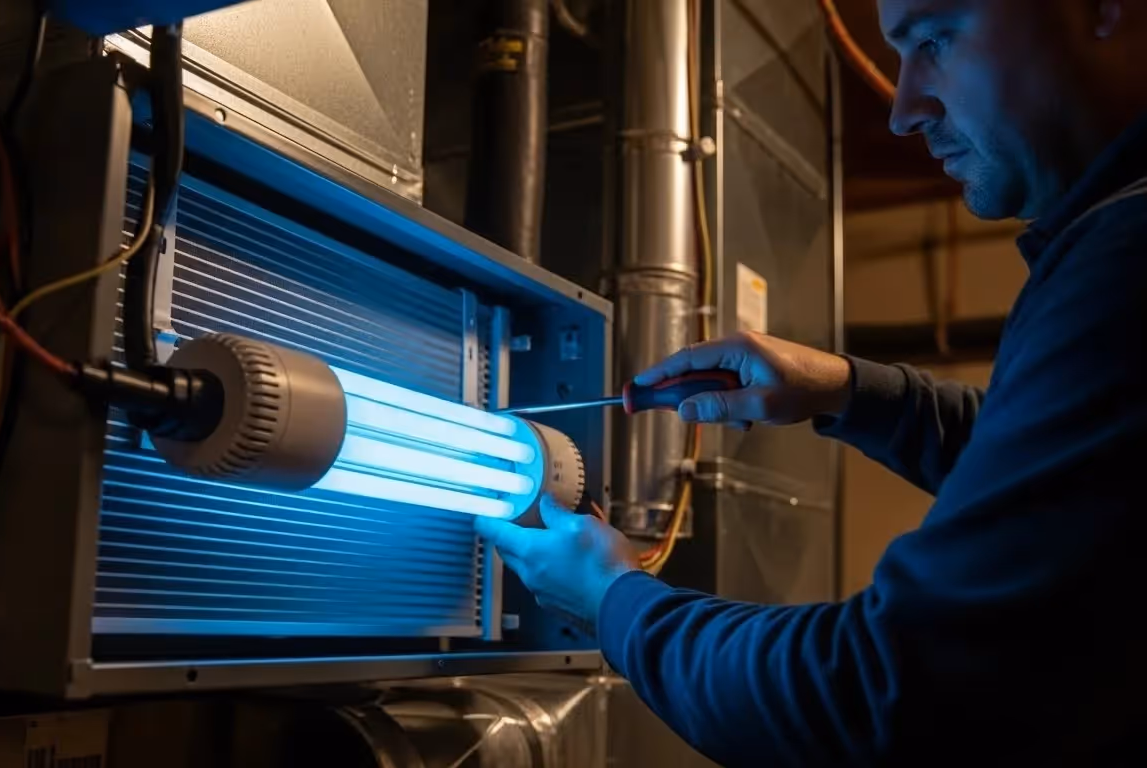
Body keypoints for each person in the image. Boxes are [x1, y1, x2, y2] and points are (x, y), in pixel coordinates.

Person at [475, 0, 1147, 764]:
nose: (902, 110)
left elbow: (884, 695)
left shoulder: (1124, 261)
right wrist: (849, 391)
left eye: (933, 39)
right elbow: (1065, 489)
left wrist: (611, 600)